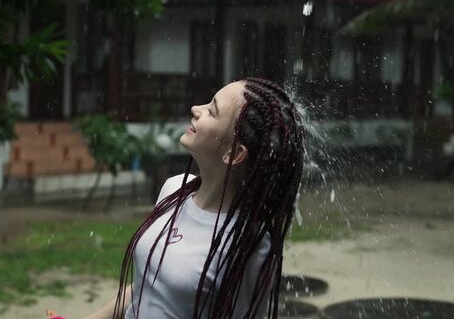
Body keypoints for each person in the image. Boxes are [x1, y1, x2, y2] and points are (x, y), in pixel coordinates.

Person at [84, 77, 304, 319]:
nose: (196, 110)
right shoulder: (173, 189)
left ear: (233, 153)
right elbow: (145, 289)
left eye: (212, 110)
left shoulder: (250, 247)